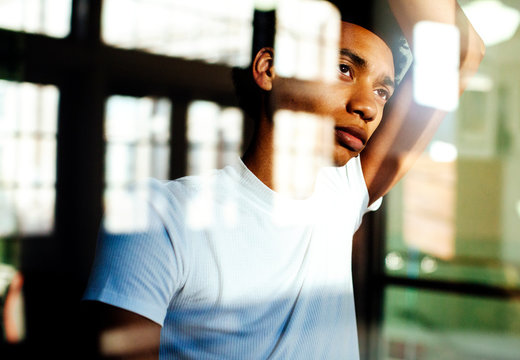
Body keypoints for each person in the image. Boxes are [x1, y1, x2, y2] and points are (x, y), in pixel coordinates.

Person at [81, 1, 484, 359]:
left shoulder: (342, 195)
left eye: (382, 92)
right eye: (344, 69)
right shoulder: (160, 217)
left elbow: (462, 53)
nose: (366, 107)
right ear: (269, 69)